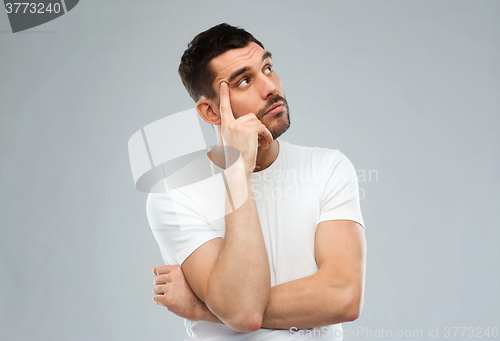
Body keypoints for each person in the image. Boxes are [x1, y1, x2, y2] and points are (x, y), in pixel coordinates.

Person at [147, 23, 366, 340]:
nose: (271, 87)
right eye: (245, 81)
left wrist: (204, 307)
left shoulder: (328, 167)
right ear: (210, 112)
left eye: (268, 68)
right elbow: (242, 312)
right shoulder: (174, 194)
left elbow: (343, 297)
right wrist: (237, 170)